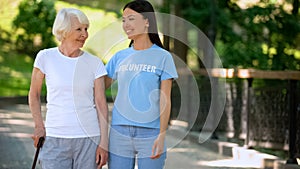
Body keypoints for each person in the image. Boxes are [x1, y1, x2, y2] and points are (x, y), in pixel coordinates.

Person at [28, 8, 108, 169]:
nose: (85, 34)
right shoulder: (45, 57)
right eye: (79, 29)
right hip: (54, 137)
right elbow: (34, 94)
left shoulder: (94, 63)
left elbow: (101, 104)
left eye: (86, 29)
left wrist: (104, 143)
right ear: (63, 31)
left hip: (89, 139)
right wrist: (39, 126)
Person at [105, 1, 178, 168]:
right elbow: (98, 88)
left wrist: (162, 134)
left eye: (131, 19)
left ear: (147, 21)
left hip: (151, 133)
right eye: (123, 20)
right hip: (119, 132)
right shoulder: (119, 57)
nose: (126, 25)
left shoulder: (163, 57)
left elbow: (165, 98)